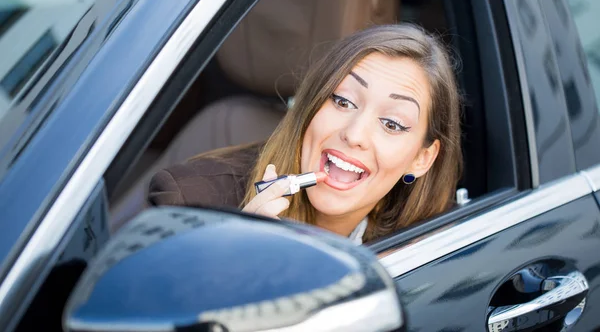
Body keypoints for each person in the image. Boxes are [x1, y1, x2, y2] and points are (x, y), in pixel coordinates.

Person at [148, 23, 462, 244]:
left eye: (391, 124)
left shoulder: (435, 245)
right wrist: (227, 261)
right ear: (312, 104)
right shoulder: (187, 204)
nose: (355, 135)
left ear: (421, 159)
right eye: (342, 101)